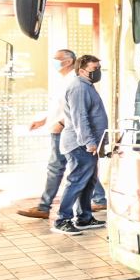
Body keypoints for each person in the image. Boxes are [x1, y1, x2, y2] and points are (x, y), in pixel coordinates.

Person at [18, 49, 107, 220]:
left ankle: (55, 211)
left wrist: (61, 124)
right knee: (80, 172)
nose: (53, 61)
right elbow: (70, 110)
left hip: (68, 131)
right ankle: (76, 211)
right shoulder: (74, 83)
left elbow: (78, 114)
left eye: (57, 59)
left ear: (68, 61)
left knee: (72, 171)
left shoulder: (77, 83)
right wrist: (45, 120)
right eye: (94, 68)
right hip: (71, 133)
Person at [51, 55, 108, 235]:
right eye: (94, 69)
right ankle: (62, 220)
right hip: (79, 144)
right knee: (76, 182)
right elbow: (80, 118)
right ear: (82, 70)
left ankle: (84, 217)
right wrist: (89, 142)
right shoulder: (79, 88)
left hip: (86, 144)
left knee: (88, 182)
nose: (98, 72)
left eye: (99, 68)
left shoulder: (86, 86)